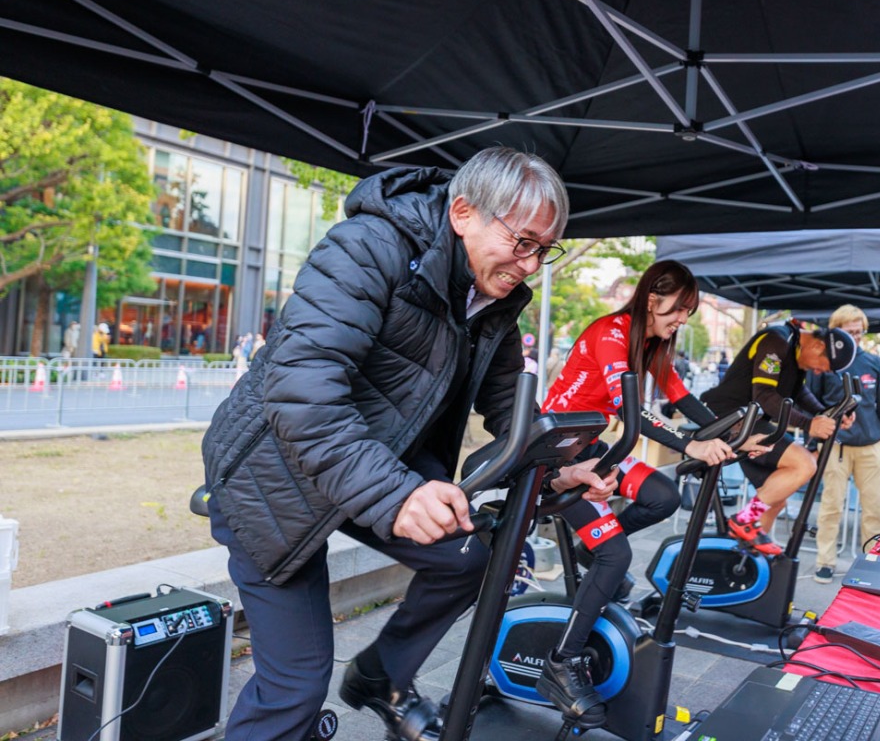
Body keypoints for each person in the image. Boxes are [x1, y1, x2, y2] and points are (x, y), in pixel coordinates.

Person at [199, 148, 613, 741]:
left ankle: (379, 676)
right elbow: (301, 394)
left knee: (470, 558)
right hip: (273, 476)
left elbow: (507, 405)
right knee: (295, 685)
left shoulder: (491, 295)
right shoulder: (367, 248)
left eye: (544, 250)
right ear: (463, 213)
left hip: (375, 457)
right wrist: (398, 496)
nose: (530, 264)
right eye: (522, 242)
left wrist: (559, 466)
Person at [537, 259, 737, 726]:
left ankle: (590, 552)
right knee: (616, 555)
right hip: (555, 451)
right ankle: (560, 662)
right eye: (679, 309)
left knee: (662, 496)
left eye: (689, 312)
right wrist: (690, 444)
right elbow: (632, 412)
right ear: (652, 299)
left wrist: (736, 436)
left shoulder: (650, 344)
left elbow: (682, 398)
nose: (683, 319)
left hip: (591, 444)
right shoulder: (612, 332)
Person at [702, 319, 857, 548]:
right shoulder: (776, 341)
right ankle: (744, 520)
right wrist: (808, 424)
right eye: (821, 367)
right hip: (728, 416)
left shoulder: (795, 349)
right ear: (817, 346)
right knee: (805, 464)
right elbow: (764, 395)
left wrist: (826, 413)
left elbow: (798, 392)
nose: (817, 372)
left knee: (776, 498)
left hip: (751, 419)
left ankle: (745, 555)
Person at [808, 305, 880, 585]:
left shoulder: (874, 362)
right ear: (836, 332)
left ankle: (872, 562)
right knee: (831, 507)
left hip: (870, 445)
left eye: (859, 332)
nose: (856, 337)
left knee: (875, 509)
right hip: (835, 445)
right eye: (850, 332)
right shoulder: (824, 363)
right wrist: (814, 442)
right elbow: (810, 402)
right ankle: (825, 561)